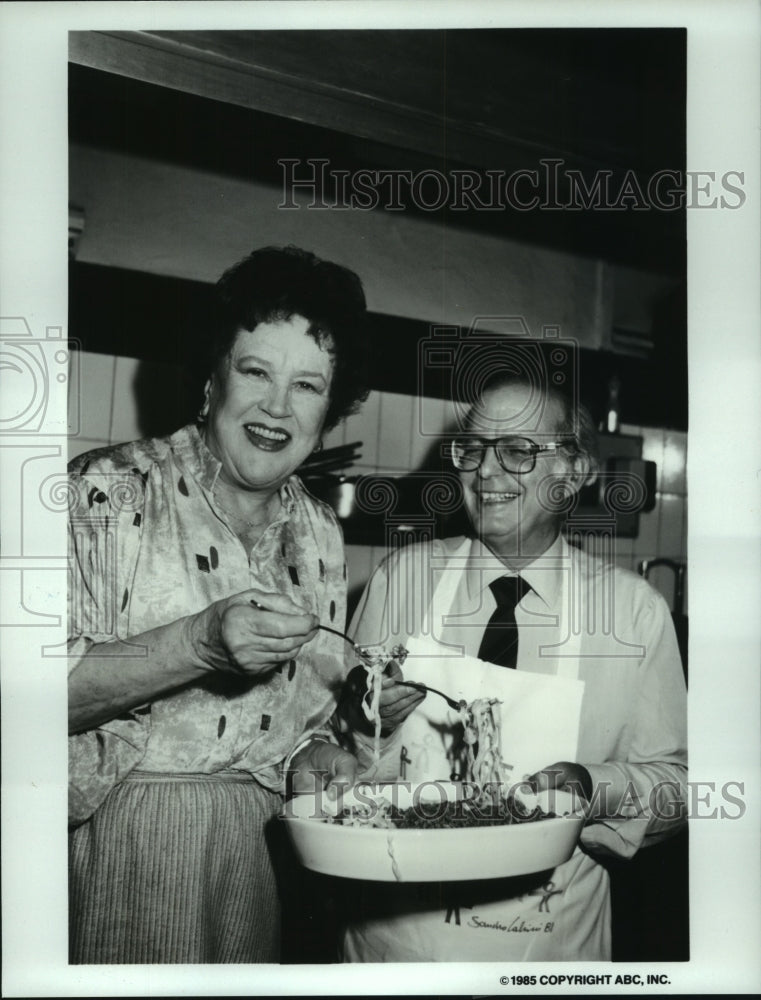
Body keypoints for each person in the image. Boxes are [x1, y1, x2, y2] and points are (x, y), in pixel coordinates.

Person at [67, 245, 373, 964]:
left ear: (329, 409)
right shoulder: (107, 492)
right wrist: (199, 644)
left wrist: (315, 758)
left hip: (261, 852)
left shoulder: (320, 533)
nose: (276, 406)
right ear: (210, 381)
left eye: (306, 385)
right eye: (255, 371)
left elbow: (304, 720)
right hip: (122, 844)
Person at [339, 371, 687, 962]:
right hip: (393, 948)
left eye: (519, 451)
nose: (486, 471)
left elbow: (678, 785)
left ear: (573, 473)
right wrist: (373, 724)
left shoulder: (633, 613)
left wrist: (592, 788)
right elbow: (331, 752)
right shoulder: (402, 580)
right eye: (473, 448)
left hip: (549, 951)